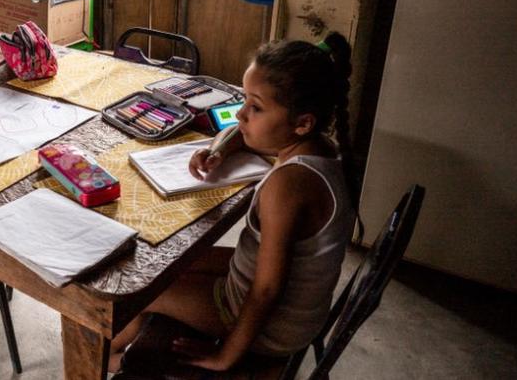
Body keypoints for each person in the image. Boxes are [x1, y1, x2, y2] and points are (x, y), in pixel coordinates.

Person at [109, 32, 358, 373]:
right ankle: (122, 346)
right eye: (244, 101)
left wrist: (227, 355)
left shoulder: (288, 185)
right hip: (290, 307)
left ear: (302, 123)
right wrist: (218, 150)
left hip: (274, 326)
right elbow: (241, 134)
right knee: (167, 267)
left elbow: (268, 289)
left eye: (255, 107)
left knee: (142, 295)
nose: (240, 115)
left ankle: (106, 361)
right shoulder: (318, 147)